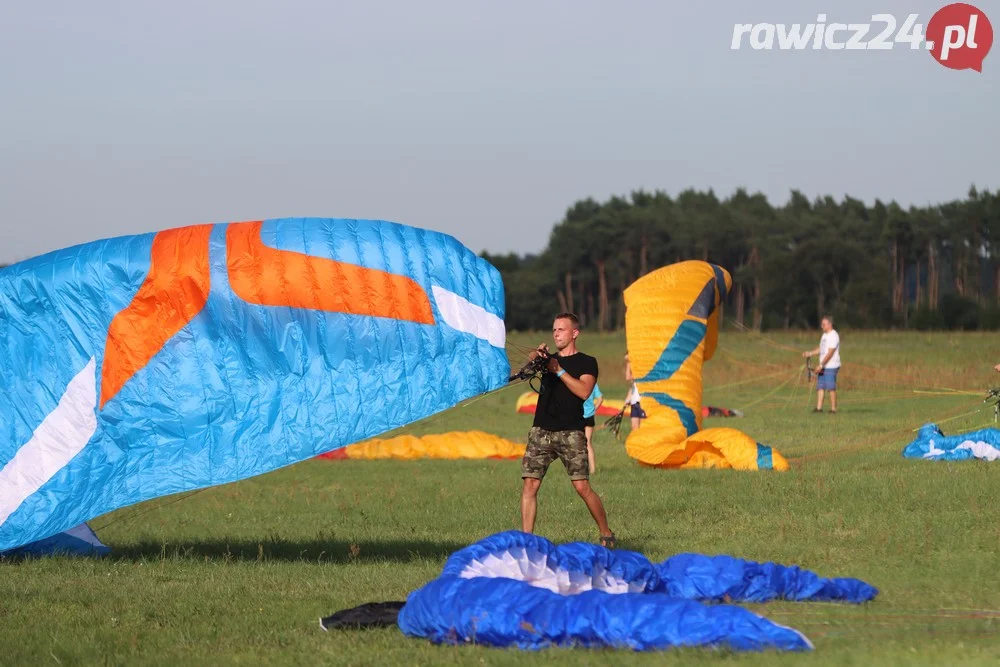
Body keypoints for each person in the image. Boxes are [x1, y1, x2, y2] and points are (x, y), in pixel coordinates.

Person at [520, 313, 616, 548]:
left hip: (571, 432)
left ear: (574, 333)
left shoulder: (587, 362)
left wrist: (559, 370)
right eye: (554, 330)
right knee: (530, 485)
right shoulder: (547, 360)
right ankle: (527, 542)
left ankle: (606, 533)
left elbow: (584, 391)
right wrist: (536, 355)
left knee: (582, 486)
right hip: (541, 430)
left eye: (561, 330)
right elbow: (524, 372)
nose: (556, 334)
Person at [801, 315, 841, 413]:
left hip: (831, 366)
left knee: (831, 387)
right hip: (823, 365)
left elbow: (830, 353)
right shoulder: (824, 335)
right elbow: (821, 349)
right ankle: (819, 408)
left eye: (823, 324)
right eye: (821, 324)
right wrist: (810, 353)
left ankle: (833, 409)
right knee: (820, 386)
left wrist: (821, 365)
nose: (821, 326)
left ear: (830, 324)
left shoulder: (833, 335)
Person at [582, 382, 604, 474]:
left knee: (578, 443)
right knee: (588, 443)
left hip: (578, 415)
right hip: (590, 415)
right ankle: (593, 470)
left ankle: (580, 469)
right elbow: (600, 399)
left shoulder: (577, 381)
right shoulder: (593, 382)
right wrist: (594, 409)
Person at [623, 354, 646, 430]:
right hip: (634, 402)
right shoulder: (635, 375)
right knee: (634, 427)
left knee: (643, 428)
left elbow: (628, 377)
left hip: (642, 402)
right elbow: (633, 387)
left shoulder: (642, 372)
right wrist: (628, 398)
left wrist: (629, 362)